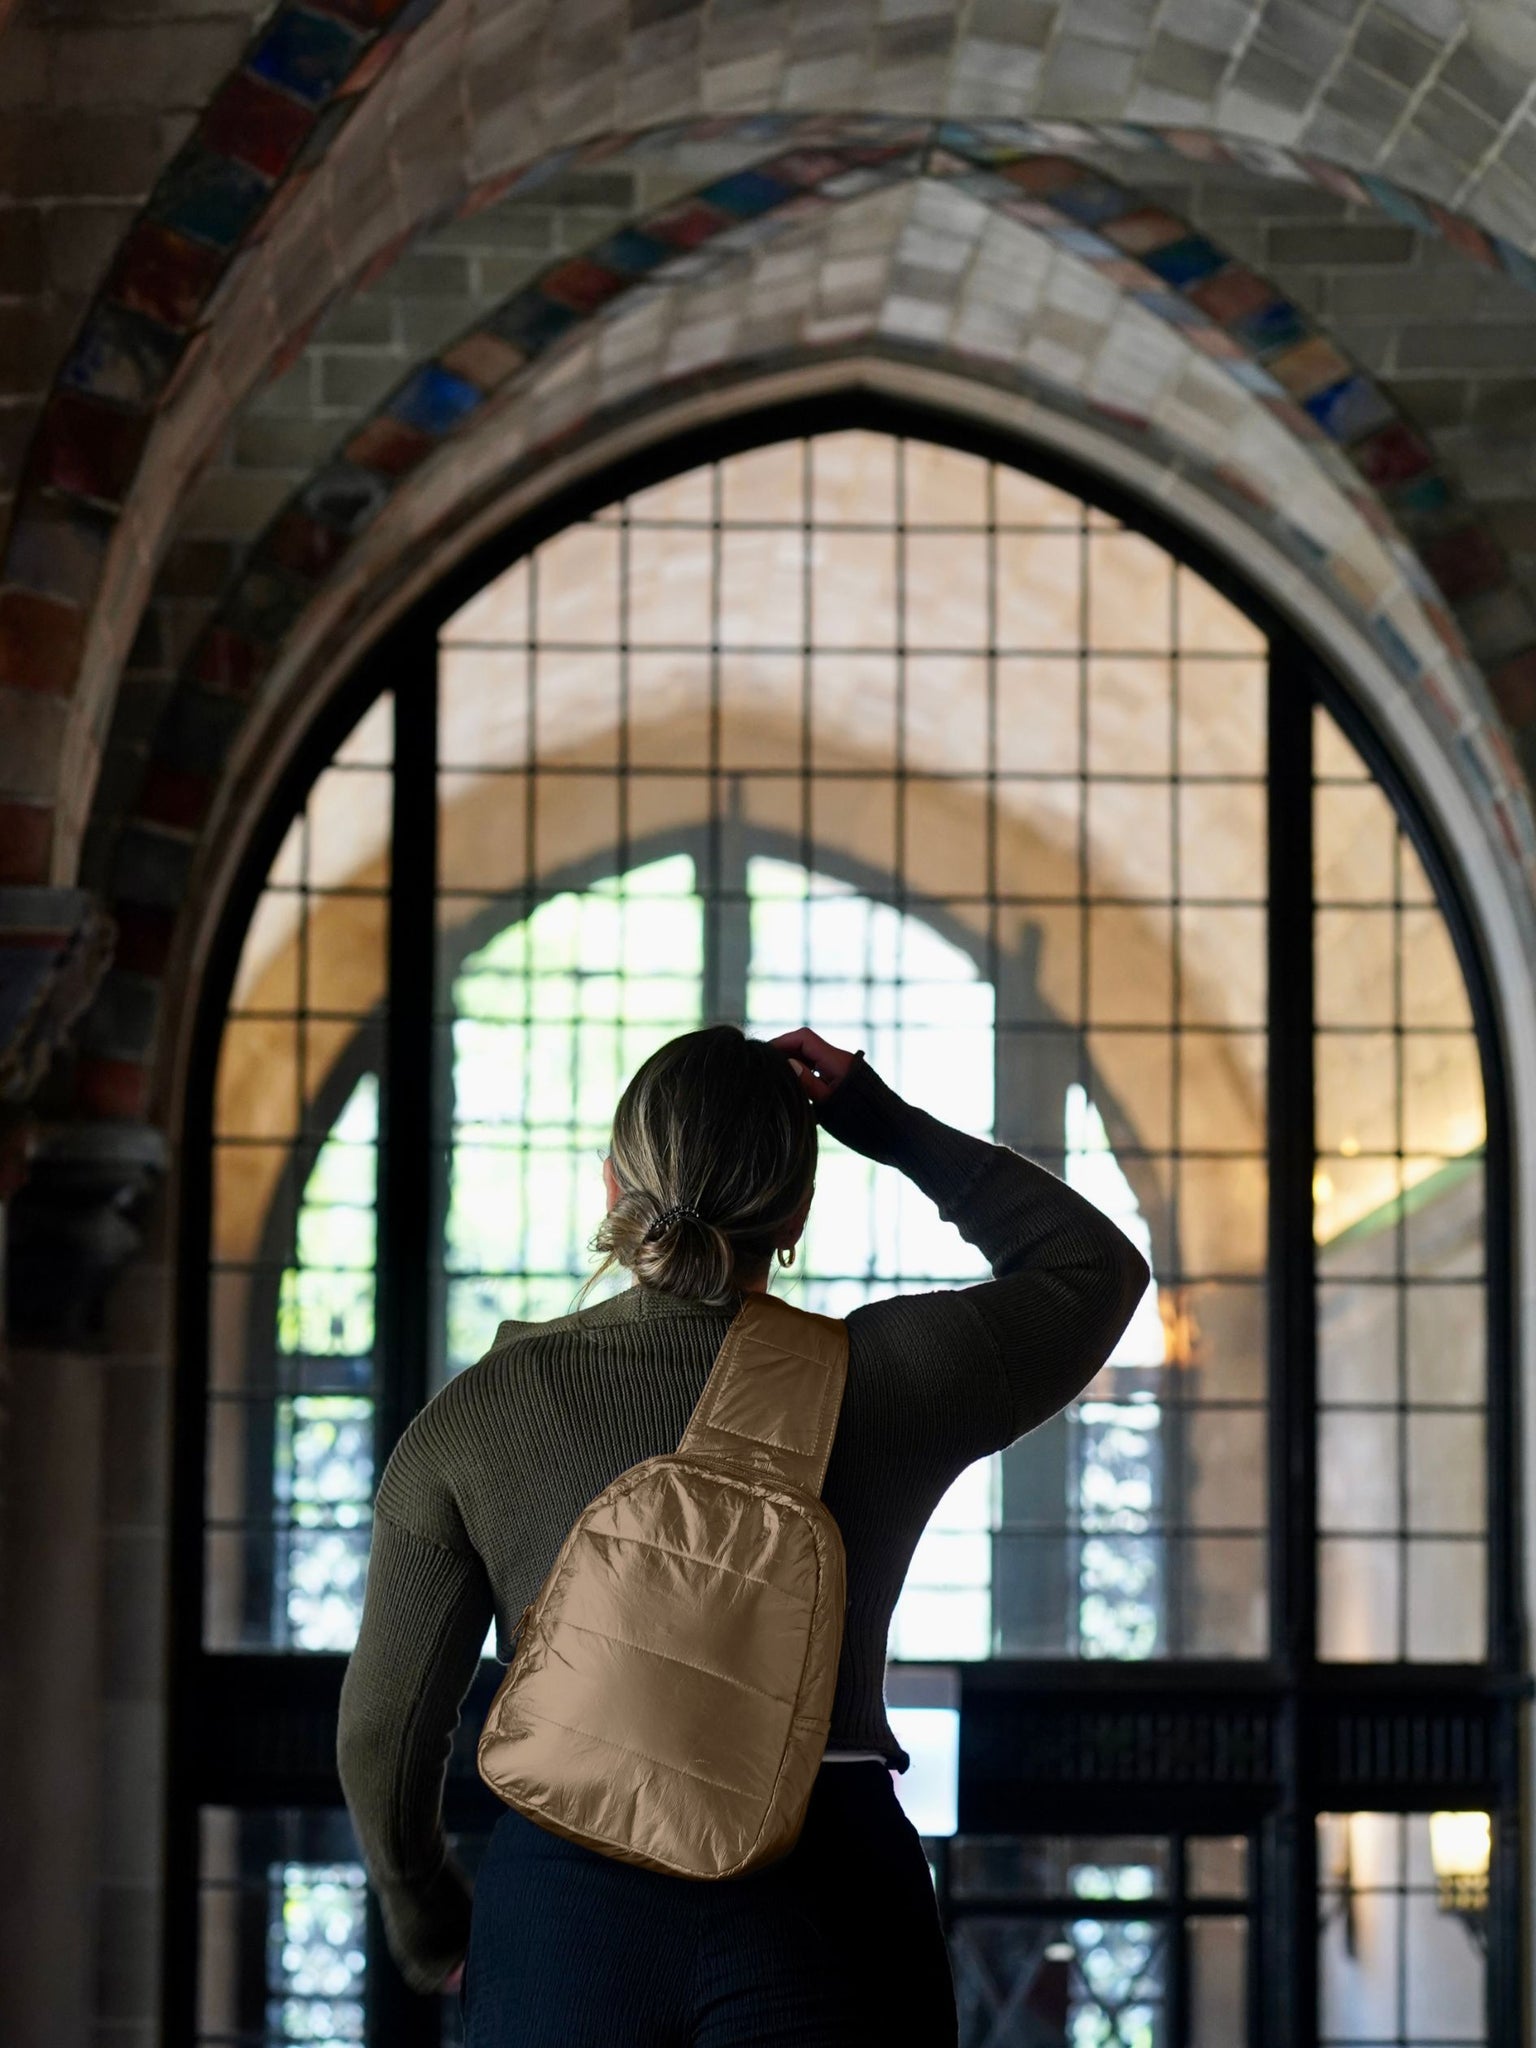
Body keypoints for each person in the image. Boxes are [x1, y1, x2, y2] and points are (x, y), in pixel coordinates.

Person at [336, 1023, 1150, 2045]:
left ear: (612, 1189)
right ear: (796, 1213)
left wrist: (428, 1921)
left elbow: (383, 1729)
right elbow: (1092, 1268)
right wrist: (884, 1123)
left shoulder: (475, 1415)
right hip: (833, 1886)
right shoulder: (888, 1379)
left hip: (567, 1904)